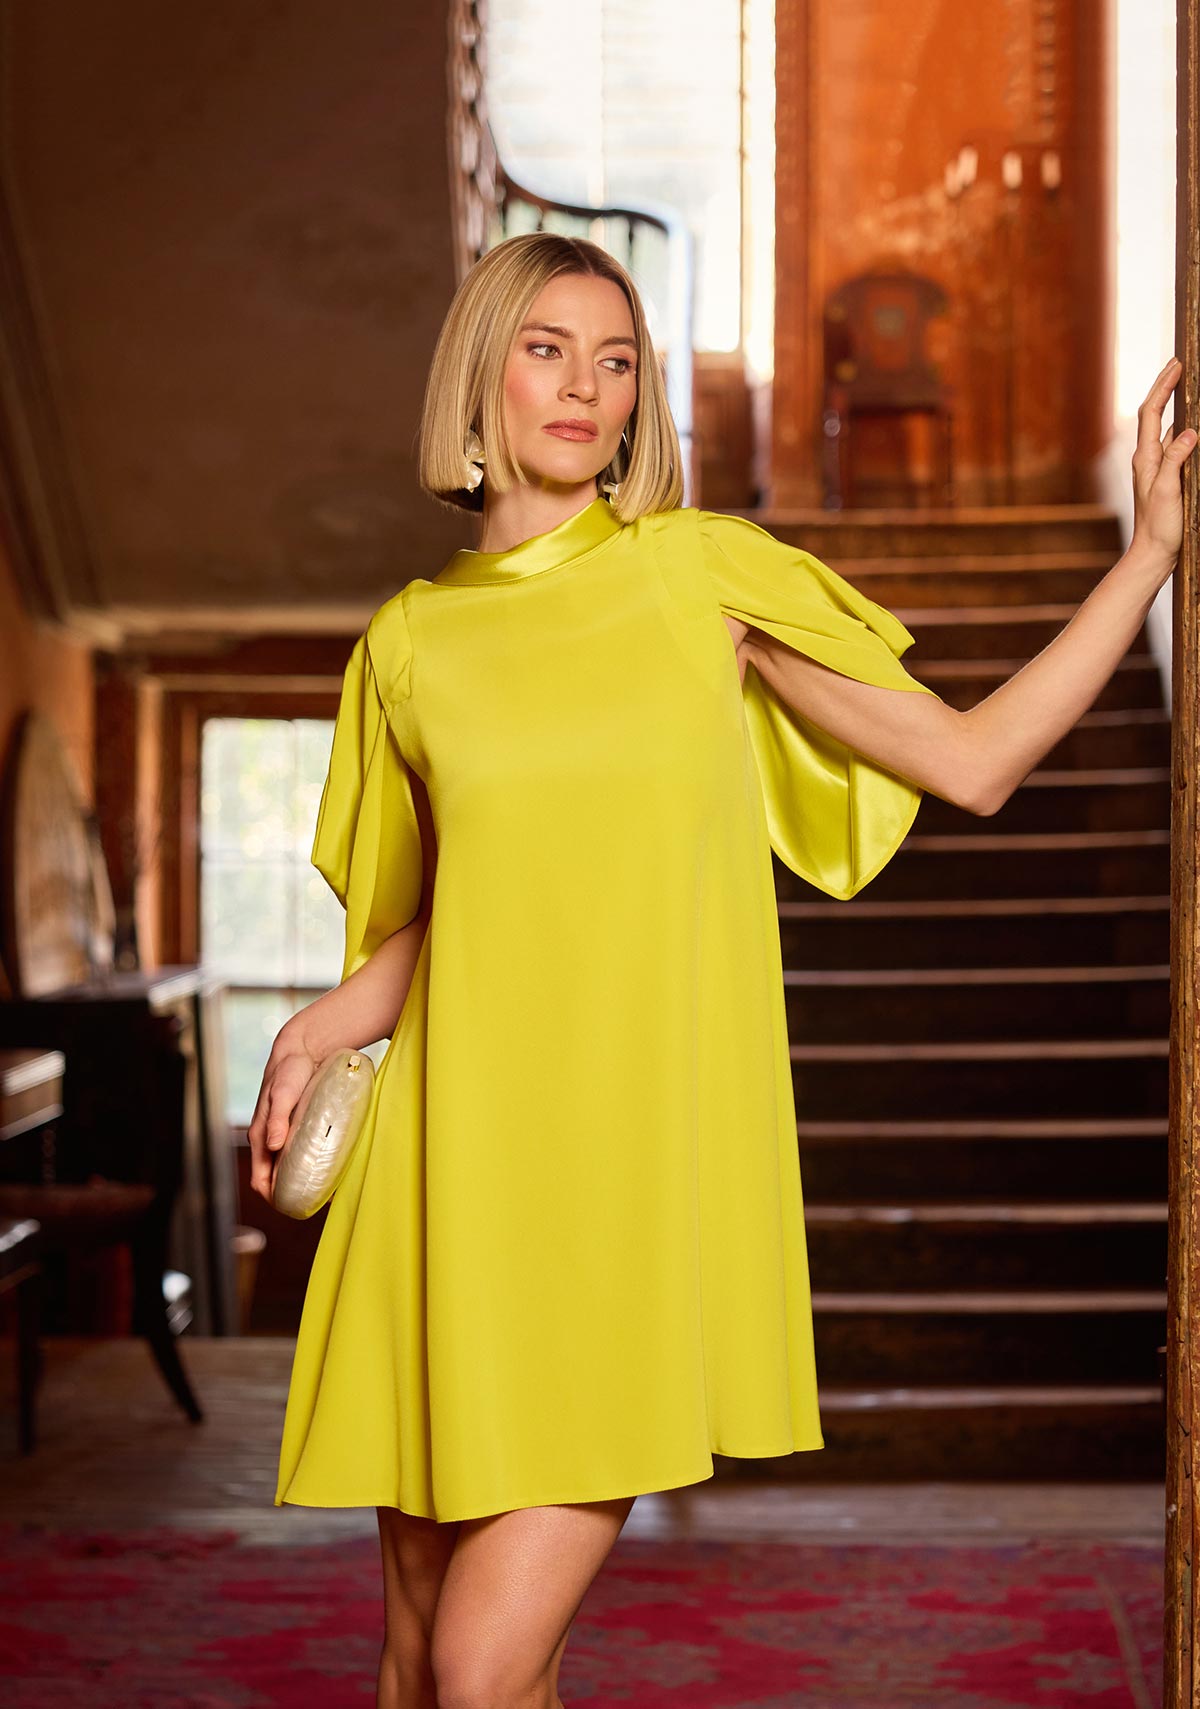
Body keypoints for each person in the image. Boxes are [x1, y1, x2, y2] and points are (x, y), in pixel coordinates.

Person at [246, 231, 1194, 1709]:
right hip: (450, 1176)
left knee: (481, 1668)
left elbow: (975, 761)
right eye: (548, 349)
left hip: (628, 1187)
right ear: (481, 376)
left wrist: (1146, 559)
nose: (586, 386)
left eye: (617, 360)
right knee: (423, 1661)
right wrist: (317, 1024)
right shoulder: (409, 645)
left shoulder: (701, 579)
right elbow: (456, 919)